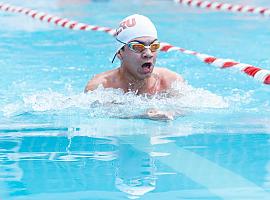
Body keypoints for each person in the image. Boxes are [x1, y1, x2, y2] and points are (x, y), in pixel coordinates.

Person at [85, 14, 185, 120]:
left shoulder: (171, 82)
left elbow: (186, 109)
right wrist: (142, 115)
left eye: (154, 46)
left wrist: (171, 113)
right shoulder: (100, 87)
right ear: (120, 52)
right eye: (137, 47)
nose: (148, 53)